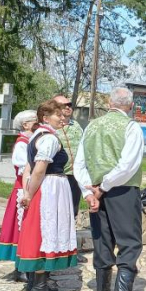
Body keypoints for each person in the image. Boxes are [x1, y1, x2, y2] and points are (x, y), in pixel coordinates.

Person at [75, 87, 145, 291]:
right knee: (129, 243)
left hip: (94, 189)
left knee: (102, 242)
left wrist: (90, 192)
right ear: (131, 105)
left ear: (109, 103)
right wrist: (103, 187)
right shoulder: (131, 127)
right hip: (121, 191)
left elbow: (80, 163)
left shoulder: (91, 126)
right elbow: (127, 165)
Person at [16, 100, 78, 291]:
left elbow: (28, 168)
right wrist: (29, 193)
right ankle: (40, 286)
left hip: (43, 188)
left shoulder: (35, 135)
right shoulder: (49, 138)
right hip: (50, 188)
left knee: (40, 232)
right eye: (58, 115)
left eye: (63, 115)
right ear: (45, 117)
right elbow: (39, 168)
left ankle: (35, 282)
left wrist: (27, 191)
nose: (62, 118)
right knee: (47, 232)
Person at [0, 109, 36, 282]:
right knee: (21, 229)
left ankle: (29, 265)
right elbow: (23, 166)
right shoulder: (22, 143)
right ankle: (20, 268)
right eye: (34, 120)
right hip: (23, 189)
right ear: (25, 124)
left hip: (32, 188)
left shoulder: (32, 140)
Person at [52, 94, 87, 263]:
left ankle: (71, 249)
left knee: (72, 212)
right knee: (56, 213)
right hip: (57, 176)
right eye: (63, 105)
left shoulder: (76, 126)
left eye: (70, 104)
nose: (68, 107)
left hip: (75, 176)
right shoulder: (51, 127)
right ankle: (55, 249)